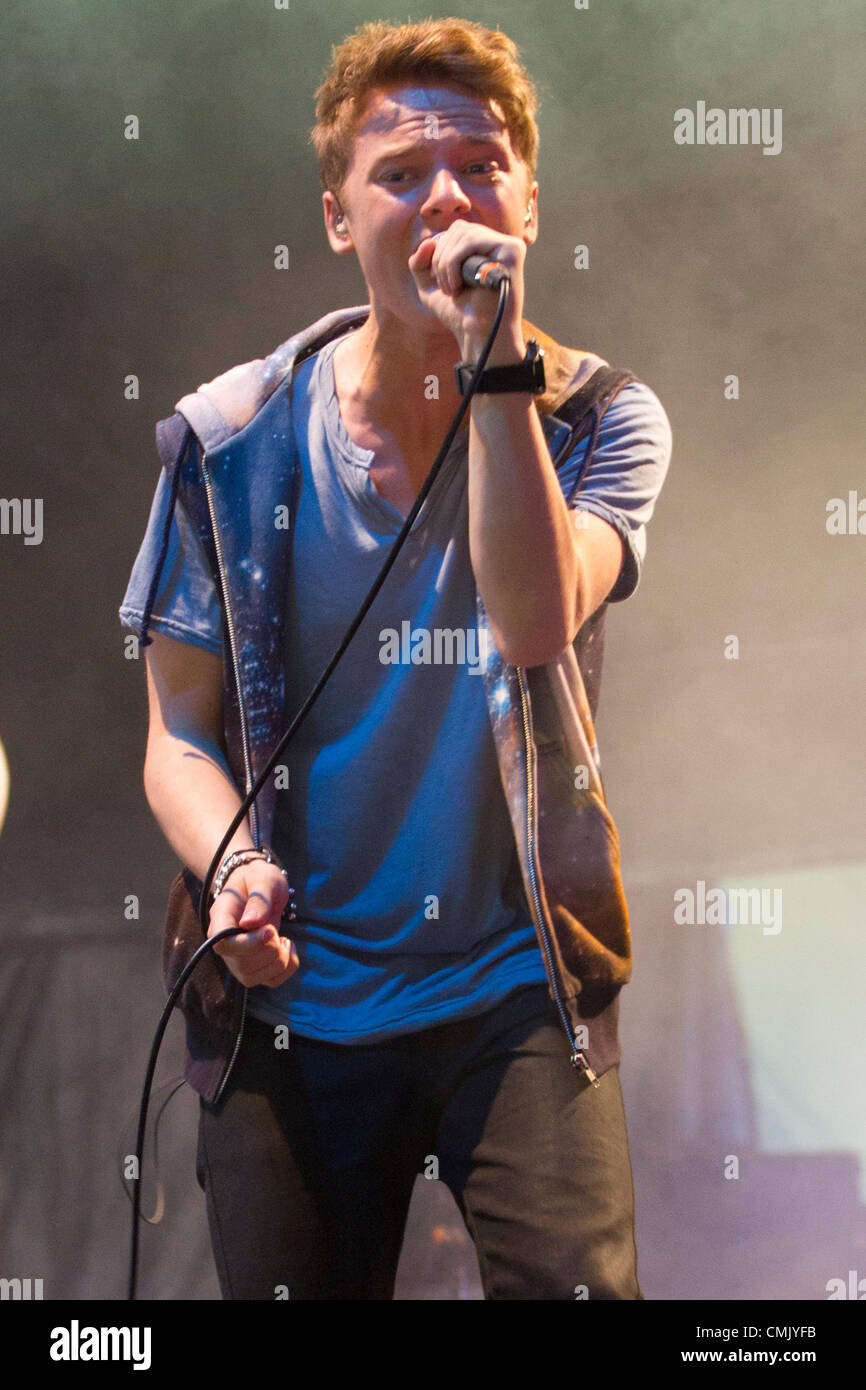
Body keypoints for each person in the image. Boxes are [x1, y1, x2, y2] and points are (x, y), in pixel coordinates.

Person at [119, 17, 671, 1300]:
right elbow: (177, 737)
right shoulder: (231, 440)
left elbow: (531, 623)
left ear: (528, 198)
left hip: (514, 978)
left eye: (481, 166)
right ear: (334, 215)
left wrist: (493, 372)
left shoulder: (597, 418)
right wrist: (236, 863)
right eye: (401, 172)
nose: (446, 198)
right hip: (295, 1002)